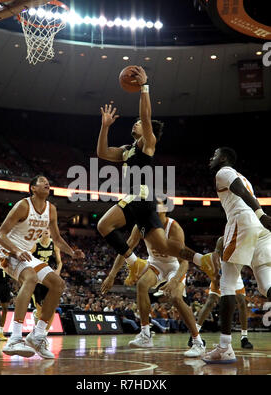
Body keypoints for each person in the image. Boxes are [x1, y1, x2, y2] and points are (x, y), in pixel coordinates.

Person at [97, 66, 219, 288]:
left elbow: (146, 116)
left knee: (104, 225)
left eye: (138, 123)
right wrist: (105, 127)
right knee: (163, 246)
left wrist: (144, 87)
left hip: (139, 197)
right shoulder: (127, 149)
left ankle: (133, 263)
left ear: (146, 130)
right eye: (135, 122)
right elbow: (102, 153)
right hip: (142, 201)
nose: (135, 123)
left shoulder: (147, 143)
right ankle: (203, 259)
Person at [101, 198, 206, 357]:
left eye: (157, 204)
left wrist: (174, 280)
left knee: (176, 298)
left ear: (165, 209)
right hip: (155, 264)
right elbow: (125, 249)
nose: (153, 207)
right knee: (142, 285)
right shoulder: (141, 225)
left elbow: (184, 262)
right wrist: (111, 275)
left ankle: (198, 342)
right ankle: (145, 334)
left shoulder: (174, 228)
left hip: (174, 266)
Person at [0, 175, 84, 358]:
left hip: (25, 254)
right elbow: (0, 235)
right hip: (7, 250)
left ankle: (38, 335)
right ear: (33, 188)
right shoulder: (23, 206)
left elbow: (57, 239)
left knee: (58, 284)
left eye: (48, 182)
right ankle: (15, 338)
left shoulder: (52, 210)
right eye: (42, 181)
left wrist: (71, 252)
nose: (47, 183)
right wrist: (17, 251)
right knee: (31, 278)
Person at [203, 147, 271, 364]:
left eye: (214, 155)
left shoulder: (224, 172)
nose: (211, 158)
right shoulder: (243, 176)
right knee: (266, 284)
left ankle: (224, 348)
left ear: (223, 158)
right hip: (259, 229)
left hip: (244, 222)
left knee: (227, 284)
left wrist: (261, 213)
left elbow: (239, 189)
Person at [190, 236, 253, 350]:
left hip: (235, 273)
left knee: (242, 303)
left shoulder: (244, 237)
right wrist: (215, 274)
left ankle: (244, 337)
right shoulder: (223, 239)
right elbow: (215, 255)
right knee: (210, 302)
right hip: (221, 271)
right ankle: (195, 334)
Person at [31, 228, 62, 334]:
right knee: (40, 309)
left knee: (51, 306)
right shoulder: (35, 244)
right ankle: (36, 317)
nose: (47, 230)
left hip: (47, 276)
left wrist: (57, 271)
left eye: (49, 228)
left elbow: (60, 262)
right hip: (36, 278)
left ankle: (45, 333)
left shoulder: (54, 244)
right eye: (45, 228)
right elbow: (28, 259)